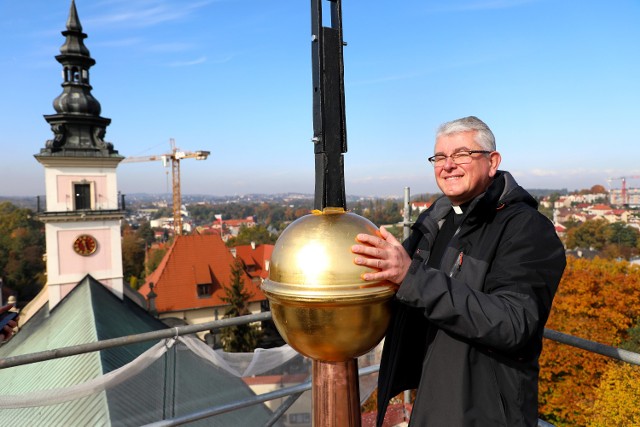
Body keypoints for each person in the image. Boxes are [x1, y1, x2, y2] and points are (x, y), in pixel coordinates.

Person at [351, 116, 566, 426]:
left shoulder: (527, 229)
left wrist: (411, 277)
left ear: (492, 162)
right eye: (440, 157)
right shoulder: (434, 222)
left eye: (462, 154)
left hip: (484, 413)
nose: (448, 165)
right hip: (432, 398)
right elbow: (401, 286)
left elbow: (514, 322)